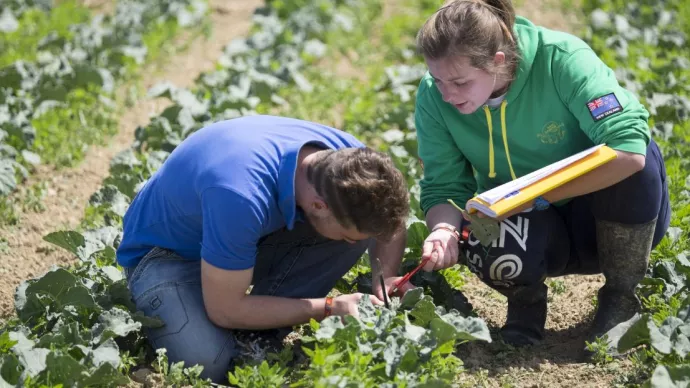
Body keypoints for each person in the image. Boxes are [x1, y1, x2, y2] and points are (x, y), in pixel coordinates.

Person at [412, 0, 671, 355]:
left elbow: (628, 150)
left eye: (459, 81)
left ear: (497, 61)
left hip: (603, 218)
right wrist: (443, 230)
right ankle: (526, 304)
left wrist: (539, 195)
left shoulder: (562, 59)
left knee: (635, 162)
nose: (446, 94)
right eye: (437, 79)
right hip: (529, 228)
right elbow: (443, 187)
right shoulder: (434, 95)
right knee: (479, 220)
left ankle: (621, 298)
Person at [116, 115, 413, 383]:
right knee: (206, 361)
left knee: (356, 231)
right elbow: (225, 310)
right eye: (348, 236)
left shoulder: (348, 163)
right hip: (168, 255)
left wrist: (384, 278)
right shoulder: (240, 195)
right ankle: (241, 317)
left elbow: (392, 224)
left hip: (236, 235)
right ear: (318, 206)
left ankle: (257, 329)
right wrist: (328, 307)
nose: (353, 243)